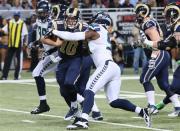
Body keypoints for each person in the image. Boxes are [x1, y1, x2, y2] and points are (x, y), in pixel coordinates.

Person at [51, 12, 151, 129]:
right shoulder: (104, 32)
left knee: (89, 90)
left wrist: (55, 31)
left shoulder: (97, 28)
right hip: (113, 67)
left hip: (106, 66)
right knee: (113, 101)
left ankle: (83, 120)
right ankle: (141, 111)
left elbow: (75, 36)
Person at [42, 7, 103, 121]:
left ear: (78, 19)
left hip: (77, 59)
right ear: (65, 18)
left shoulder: (83, 27)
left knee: (70, 83)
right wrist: (54, 42)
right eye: (68, 19)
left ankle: (84, 107)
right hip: (63, 59)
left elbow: (95, 36)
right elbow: (44, 39)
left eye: (73, 19)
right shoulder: (58, 25)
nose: (71, 21)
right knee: (63, 88)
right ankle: (74, 108)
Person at [135, 3, 180, 116]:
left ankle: (152, 106)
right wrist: (141, 44)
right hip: (163, 54)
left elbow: (157, 42)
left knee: (144, 78)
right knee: (164, 84)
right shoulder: (148, 22)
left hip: (158, 54)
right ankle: (178, 106)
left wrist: (153, 57)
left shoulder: (148, 23)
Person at [30, 0, 62, 114]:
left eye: (43, 12)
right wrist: (36, 43)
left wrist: (47, 49)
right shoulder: (38, 21)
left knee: (38, 73)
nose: (41, 14)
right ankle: (43, 104)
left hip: (55, 53)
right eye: (39, 12)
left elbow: (56, 40)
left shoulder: (52, 22)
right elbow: (43, 38)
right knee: (63, 83)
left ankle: (43, 104)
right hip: (50, 53)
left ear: (48, 12)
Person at [0, 11, 28, 80]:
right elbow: (3, 30)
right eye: (15, 15)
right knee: (7, 60)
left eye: (17, 16)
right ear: (13, 16)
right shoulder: (10, 22)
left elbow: (25, 34)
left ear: (19, 16)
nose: (16, 17)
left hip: (19, 44)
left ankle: (16, 76)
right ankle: (4, 76)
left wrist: (25, 43)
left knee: (18, 61)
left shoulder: (22, 23)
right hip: (11, 44)